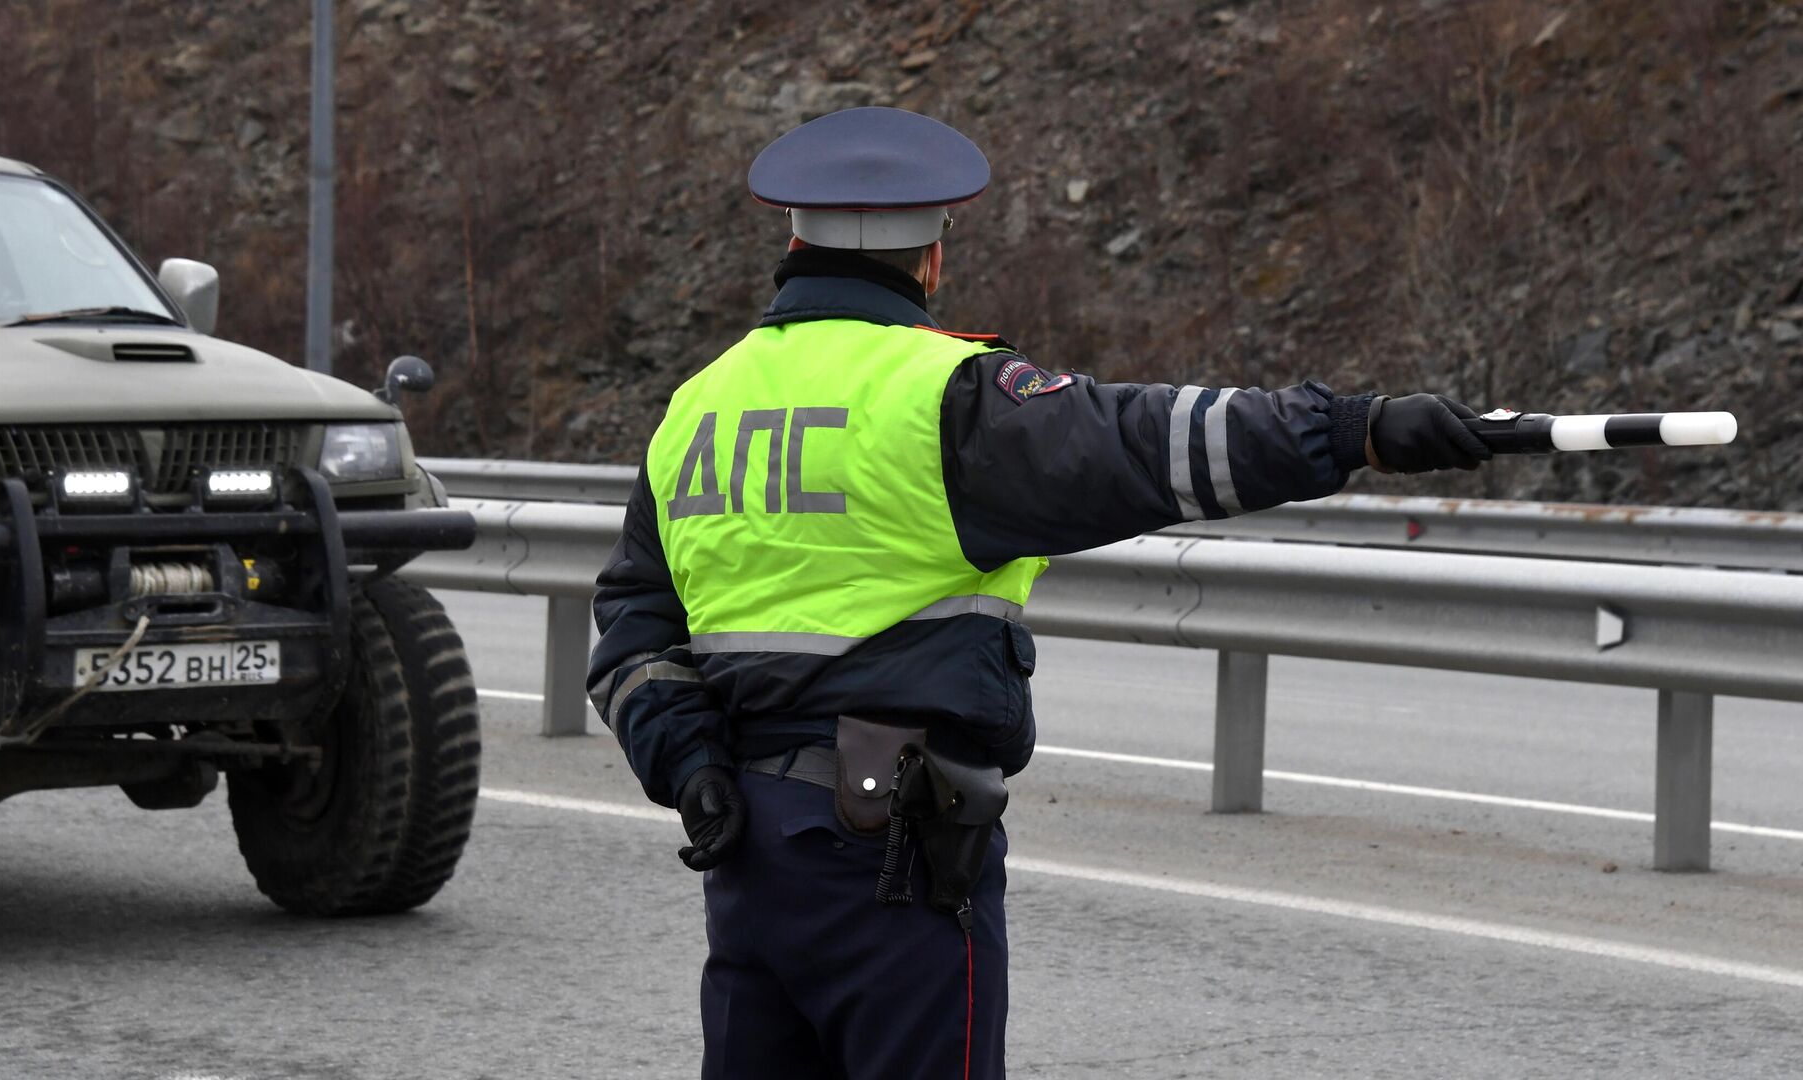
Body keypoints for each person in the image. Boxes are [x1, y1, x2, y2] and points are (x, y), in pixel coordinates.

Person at [588, 106, 1491, 1078]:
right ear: (931, 260)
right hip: (896, 857)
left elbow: (634, 629)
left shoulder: (700, 405)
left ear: (793, 242)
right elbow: (1149, 442)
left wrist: (691, 769)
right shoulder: (943, 396)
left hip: (745, 850)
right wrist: (1351, 428)